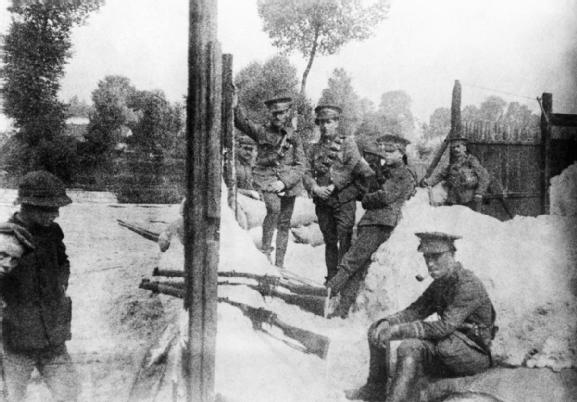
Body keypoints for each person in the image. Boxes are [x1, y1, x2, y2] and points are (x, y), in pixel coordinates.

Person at [345, 231, 496, 402]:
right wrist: (388, 323)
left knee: (443, 346)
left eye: (436, 256)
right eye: (427, 258)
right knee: (401, 342)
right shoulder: (441, 283)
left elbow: (443, 327)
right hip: (449, 346)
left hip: (471, 355)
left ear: (451, 255)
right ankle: (377, 389)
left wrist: (397, 331)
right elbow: (416, 310)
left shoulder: (467, 284)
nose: (430, 263)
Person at [0, 170, 80, 401]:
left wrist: (60, 285)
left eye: (57, 208)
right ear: (27, 206)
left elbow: (63, 261)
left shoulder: (53, 233)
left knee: (69, 392)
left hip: (53, 339)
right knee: (12, 397)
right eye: (48, 208)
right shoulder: (7, 238)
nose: (55, 214)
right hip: (16, 340)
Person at [326, 134, 416, 318]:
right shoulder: (389, 173)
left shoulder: (403, 174)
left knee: (351, 261)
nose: (386, 155)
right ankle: (342, 310)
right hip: (373, 221)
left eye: (391, 152)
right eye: (385, 151)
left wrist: (366, 199)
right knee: (357, 267)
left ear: (401, 154)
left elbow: (385, 196)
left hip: (380, 223)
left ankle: (325, 293)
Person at [303, 105, 374, 283]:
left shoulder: (348, 144)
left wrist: (334, 186)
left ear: (336, 123)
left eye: (329, 122)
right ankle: (331, 279)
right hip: (323, 201)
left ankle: (344, 280)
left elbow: (353, 167)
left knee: (345, 239)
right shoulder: (313, 149)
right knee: (329, 241)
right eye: (322, 122)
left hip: (343, 201)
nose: (325, 126)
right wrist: (315, 188)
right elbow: (306, 171)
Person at [233, 94, 306, 267]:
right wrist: (236, 105)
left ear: (288, 113)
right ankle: (265, 252)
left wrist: (285, 182)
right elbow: (242, 122)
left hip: (289, 183)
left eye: (282, 113)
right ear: (270, 114)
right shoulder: (262, 132)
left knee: (284, 224)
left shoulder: (294, 137)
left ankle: (280, 264)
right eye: (275, 113)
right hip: (266, 178)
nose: (278, 117)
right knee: (274, 209)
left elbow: (301, 165)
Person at [420, 137, 490, 211]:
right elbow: (441, 175)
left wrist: (479, 193)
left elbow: (484, 176)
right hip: (454, 199)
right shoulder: (452, 164)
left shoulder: (472, 161)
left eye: (458, 146)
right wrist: (428, 182)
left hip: (470, 199)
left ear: (465, 148)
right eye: (453, 148)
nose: (455, 149)